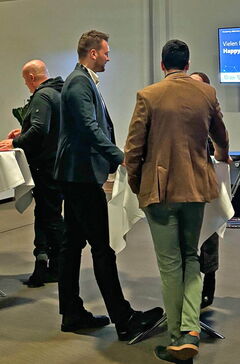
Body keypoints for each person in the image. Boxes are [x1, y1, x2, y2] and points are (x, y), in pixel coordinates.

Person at [54, 30, 163, 341]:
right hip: (81, 176)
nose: (108, 57)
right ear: (92, 54)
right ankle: (125, 318)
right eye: (105, 52)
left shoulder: (82, 80)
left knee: (72, 246)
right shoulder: (78, 82)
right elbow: (89, 127)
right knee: (102, 247)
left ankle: (72, 313)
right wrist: (121, 157)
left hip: (77, 175)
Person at [125, 40, 230, 362]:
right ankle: (191, 329)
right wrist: (219, 159)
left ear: (162, 65)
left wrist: (135, 183)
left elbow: (133, 149)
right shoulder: (206, 94)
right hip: (196, 188)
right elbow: (221, 139)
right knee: (192, 258)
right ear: (187, 64)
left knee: (170, 266)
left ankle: (176, 337)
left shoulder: (148, 96)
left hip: (160, 192)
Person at [0, 60, 65, 287]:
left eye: (25, 80)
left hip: (44, 168)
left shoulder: (42, 96)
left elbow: (39, 130)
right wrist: (24, 130)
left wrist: (15, 141)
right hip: (57, 164)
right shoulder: (59, 92)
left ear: (30, 77)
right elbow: (52, 127)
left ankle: (61, 266)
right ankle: (49, 264)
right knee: (48, 213)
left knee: (50, 216)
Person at [190, 71, 220, 309]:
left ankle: (208, 281)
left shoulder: (210, 113)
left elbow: (220, 144)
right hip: (182, 185)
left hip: (205, 182)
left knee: (208, 235)